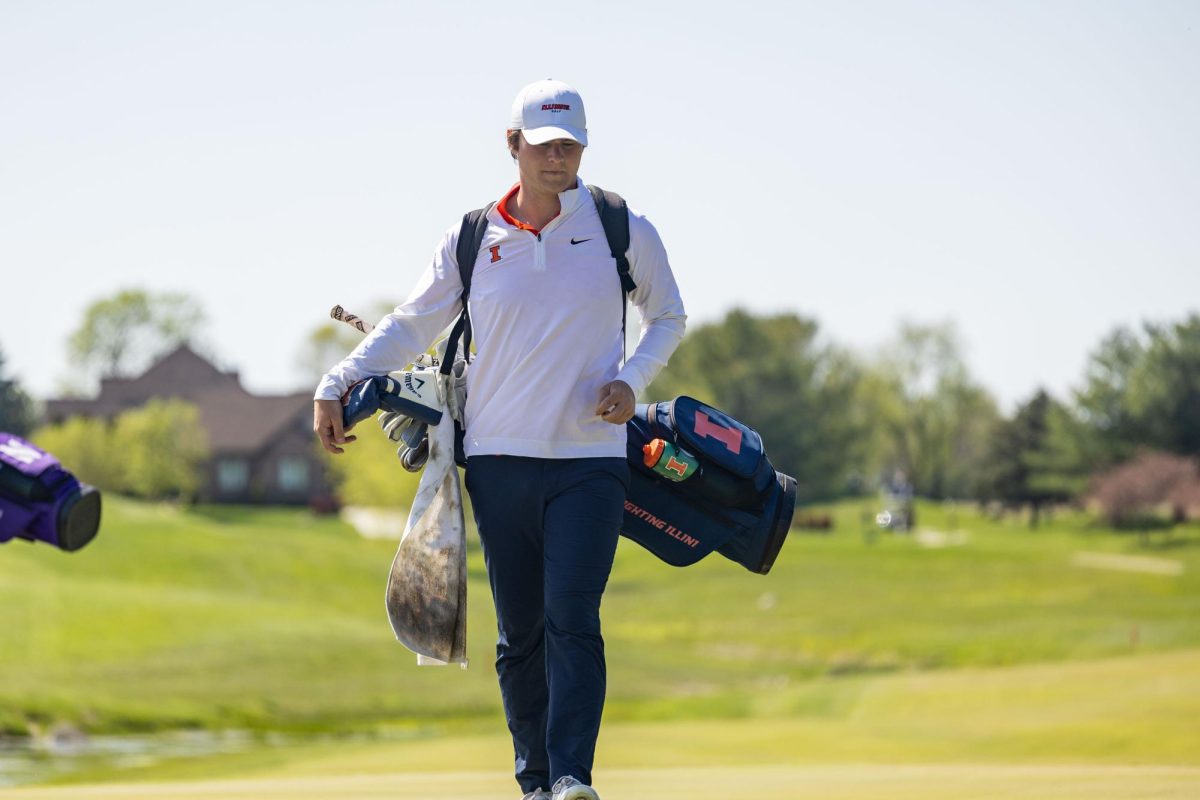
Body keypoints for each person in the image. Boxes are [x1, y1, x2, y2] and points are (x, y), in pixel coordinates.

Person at [313, 78, 686, 800]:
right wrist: (337, 382)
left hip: (589, 461)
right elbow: (411, 324)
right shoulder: (472, 236)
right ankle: (536, 782)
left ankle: (574, 775)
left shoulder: (620, 227)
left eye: (570, 146)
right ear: (513, 145)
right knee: (521, 634)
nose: (558, 160)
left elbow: (667, 315)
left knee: (571, 617)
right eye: (544, 146)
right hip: (498, 462)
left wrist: (632, 380)